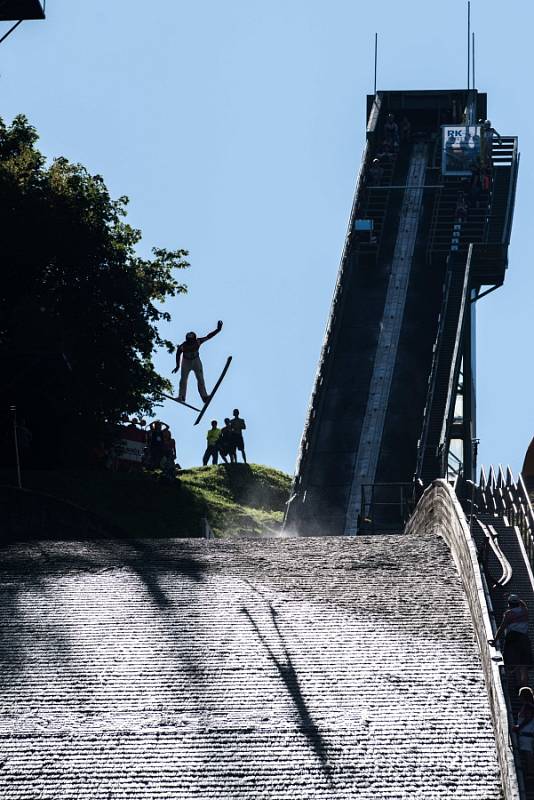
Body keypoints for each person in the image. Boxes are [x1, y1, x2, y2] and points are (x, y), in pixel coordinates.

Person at [173, 321, 223, 403]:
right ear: (187, 340)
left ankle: (204, 397)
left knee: (200, 379)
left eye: (191, 340)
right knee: (183, 380)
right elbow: (178, 354)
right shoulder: (183, 346)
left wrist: (218, 329)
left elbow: (208, 336)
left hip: (196, 361)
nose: (190, 343)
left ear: (194, 339)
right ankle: (181, 396)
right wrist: (177, 365)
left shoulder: (198, 341)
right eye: (189, 341)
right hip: (186, 362)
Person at [489, 593, 533, 687]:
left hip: (512, 639)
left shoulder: (509, 614)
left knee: (515, 662)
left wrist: (495, 640)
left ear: (509, 604)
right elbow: (523, 605)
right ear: (518, 603)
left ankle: (518, 685)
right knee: (523, 663)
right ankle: (525, 685)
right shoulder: (525, 611)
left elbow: (502, 628)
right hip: (524, 639)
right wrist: (519, 600)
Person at [513, 686, 534, 774]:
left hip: (526, 733)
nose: (519, 697)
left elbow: (528, 718)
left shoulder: (528, 706)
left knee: (528, 753)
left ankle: (530, 772)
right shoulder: (529, 706)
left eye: (520, 695)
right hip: (528, 732)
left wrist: (519, 727)